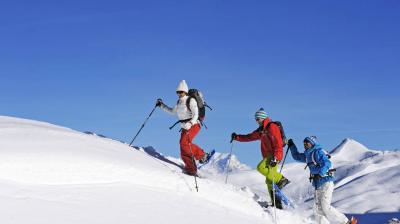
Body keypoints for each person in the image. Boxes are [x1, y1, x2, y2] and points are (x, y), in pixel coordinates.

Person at [287, 137, 357, 224]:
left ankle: (347, 222)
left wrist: (320, 174)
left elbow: (327, 163)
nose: (305, 145)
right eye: (304, 143)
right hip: (317, 184)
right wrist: (291, 145)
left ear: (312, 143)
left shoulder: (317, 152)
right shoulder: (307, 155)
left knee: (325, 207)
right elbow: (296, 156)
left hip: (326, 182)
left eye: (307, 143)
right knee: (317, 210)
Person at [231, 108, 290, 209]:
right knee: (269, 181)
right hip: (269, 156)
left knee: (260, 167)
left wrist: (276, 158)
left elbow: (278, 144)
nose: (256, 121)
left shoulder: (272, 127)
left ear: (263, 118)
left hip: (274, 155)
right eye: (255, 119)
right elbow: (249, 137)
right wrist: (237, 137)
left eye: (257, 119)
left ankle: (281, 179)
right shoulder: (262, 130)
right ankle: (276, 204)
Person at [156, 80, 210, 176]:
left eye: (181, 92)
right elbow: (172, 111)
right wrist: (162, 105)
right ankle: (191, 169)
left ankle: (202, 155)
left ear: (185, 91)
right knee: (183, 148)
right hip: (184, 126)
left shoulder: (191, 100)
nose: (179, 94)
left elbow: (196, 114)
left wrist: (191, 123)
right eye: (177, 92)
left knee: (184, 143)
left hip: (194, 125)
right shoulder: (179, 102)